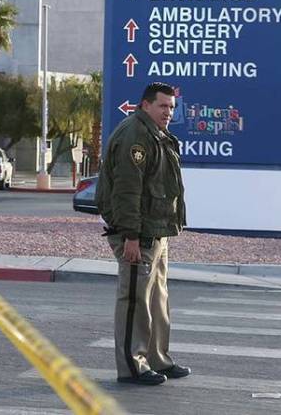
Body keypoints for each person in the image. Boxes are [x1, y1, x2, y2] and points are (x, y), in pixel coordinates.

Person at [95, 81, 190, 386]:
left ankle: (157, 359)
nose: (168, 112)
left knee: (157, 299)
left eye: (172, 107)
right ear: (146, 105)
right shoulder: (135, 135)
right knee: (134, 300)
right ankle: (132, 366)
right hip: (138, 235)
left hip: (156, 231)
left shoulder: (156, 135)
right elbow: (127, 190)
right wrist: (131, 237)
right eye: (163, 106)